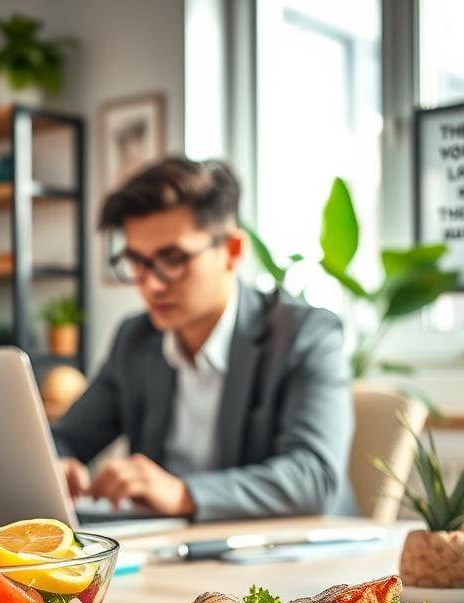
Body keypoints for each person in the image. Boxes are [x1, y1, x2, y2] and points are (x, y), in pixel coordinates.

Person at [51, 156, 353, 520]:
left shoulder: (304, 335)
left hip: (291, 558)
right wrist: (57, 463)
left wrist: (183, 494)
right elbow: (65, 437)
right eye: (137, 261)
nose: (151, 284)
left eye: (174, 259)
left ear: (232, 251)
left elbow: (313, 477)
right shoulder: (135, 338)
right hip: (169, 553)